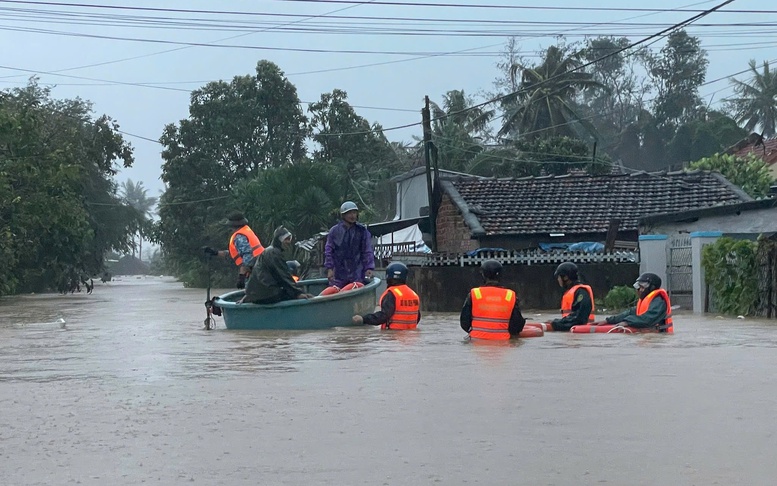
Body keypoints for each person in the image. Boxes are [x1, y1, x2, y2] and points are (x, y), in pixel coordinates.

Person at [242, 226, 313, 304]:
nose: (288, 242)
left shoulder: (268, 251)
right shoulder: (274, 253)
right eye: (286, 239)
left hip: (256, 294)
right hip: (267, 295)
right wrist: (298, 293)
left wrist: (249, 294)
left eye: (289, 239)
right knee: (294, 295)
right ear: (279, 240)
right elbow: (283, 276)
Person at [460, 260, 526, 340]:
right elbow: (516, 326)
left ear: (483, 275)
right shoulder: (510, 295)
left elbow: (464, 322)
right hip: (503, 342)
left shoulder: (474, 294)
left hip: (476, 340)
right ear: (500, 275)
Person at [203, 212, 264, 289]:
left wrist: (242, 276)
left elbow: (248, 255)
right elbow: (236, 254)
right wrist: (215, 253)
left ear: (233, 225)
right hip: (259, 265)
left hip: (257, 270)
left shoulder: (239, 236)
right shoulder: (245, 231)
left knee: (251, 292)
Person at [352, 262, 420, 329]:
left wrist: (363, 319)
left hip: (393, 336)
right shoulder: (413, 294)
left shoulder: (392, 294)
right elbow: (417, 316)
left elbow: (383, 316)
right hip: (411, 337)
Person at [324, 201, 375, 290]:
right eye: (349, 213)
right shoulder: (334, 231)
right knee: (335, 293)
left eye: (354, 213)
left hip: (357, 272)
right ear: (343, 215)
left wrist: (369, 267)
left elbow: (367, 250)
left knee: (356, 292)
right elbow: (329, 251)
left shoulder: (362, 231)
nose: (352, 216)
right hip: (339, 272)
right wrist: (330, 268)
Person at [601, 272, 674, 333]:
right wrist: (608, 320)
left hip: (659, 336)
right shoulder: (647, 301)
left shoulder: (659, 302)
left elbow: (647, 319)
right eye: (638, 287)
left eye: (642, 287)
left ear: (651, 288)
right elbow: (630, 312)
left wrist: (627, 322)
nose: (638, 290)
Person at [542, 262, 595, 332]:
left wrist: (556, 323)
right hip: (571, 332)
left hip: (582, 331)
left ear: (566, 277)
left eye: (559, 277)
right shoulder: (572, 292)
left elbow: (580, 318)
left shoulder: (581, 292)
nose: (558, 280)